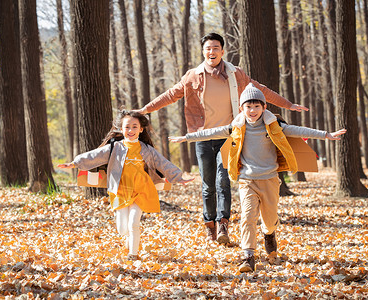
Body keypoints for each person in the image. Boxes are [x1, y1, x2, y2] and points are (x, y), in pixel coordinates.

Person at [136, 32, 309, 245]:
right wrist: (145, 109)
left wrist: (288, 105)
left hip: (229, 137)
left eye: (216, 48)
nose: (212, 52)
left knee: (223, 180)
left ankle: (223, 225)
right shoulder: (192, 76)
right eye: (208, 48)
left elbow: (260, 90)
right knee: (208, 184)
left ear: (222, 51)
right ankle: (210, 225)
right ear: (203, 51)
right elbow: (171, 94)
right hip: (202, 136)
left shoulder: (235, 74)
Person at [169, 83, 346, 272]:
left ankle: (269, 234)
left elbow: (299, 130)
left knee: (269, 219)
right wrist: (186, 138)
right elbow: (210, 132)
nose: (252, 111)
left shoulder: (274, 125)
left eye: (256, 106)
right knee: (247, 217)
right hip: (247, 181)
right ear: (241, 108)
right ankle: (248, 256)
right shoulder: (236, 127)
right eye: (248, 106)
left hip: (269, 178)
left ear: (264, 107)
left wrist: (327, 135)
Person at [58, 110, 193, 261]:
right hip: (121, 190)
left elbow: (163, 163)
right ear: (121, 129)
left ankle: (133, 255)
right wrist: (74, 163)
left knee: (134, 222)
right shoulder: (115, 147)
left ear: (141, 129)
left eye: (135, 127)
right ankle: (128, 238)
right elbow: (94, 155)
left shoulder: (147, 150)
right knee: (123, 228)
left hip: (142, 190)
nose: (131, 130)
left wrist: (178, 177)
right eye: (127, 127)